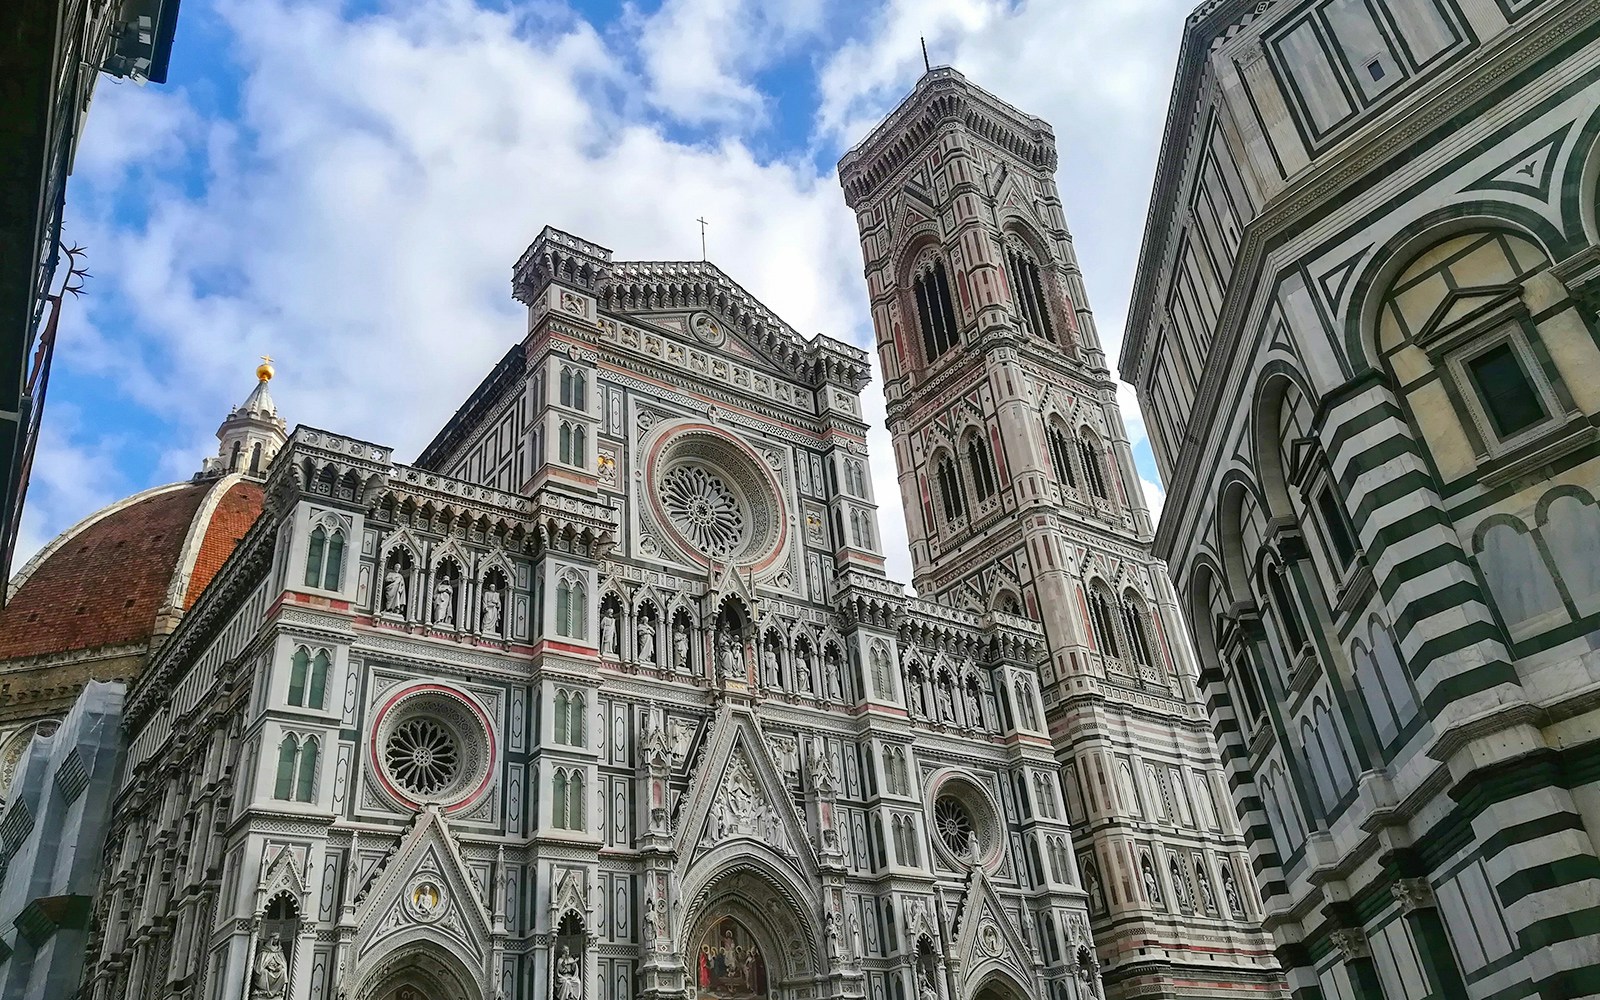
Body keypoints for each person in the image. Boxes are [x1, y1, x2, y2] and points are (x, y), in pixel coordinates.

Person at [250, 934, 288, 999]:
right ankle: (263, 990)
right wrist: (268, 966)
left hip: (276, 971)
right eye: (275, 939)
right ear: (271, 939)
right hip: (267, 970)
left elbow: (283, 964)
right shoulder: (264, 951)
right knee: (263, 972)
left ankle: (277, 991)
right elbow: (260, 966)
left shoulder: (280, 951)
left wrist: (279, 967)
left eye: (277, 939)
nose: (276, 941)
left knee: (283, 971)